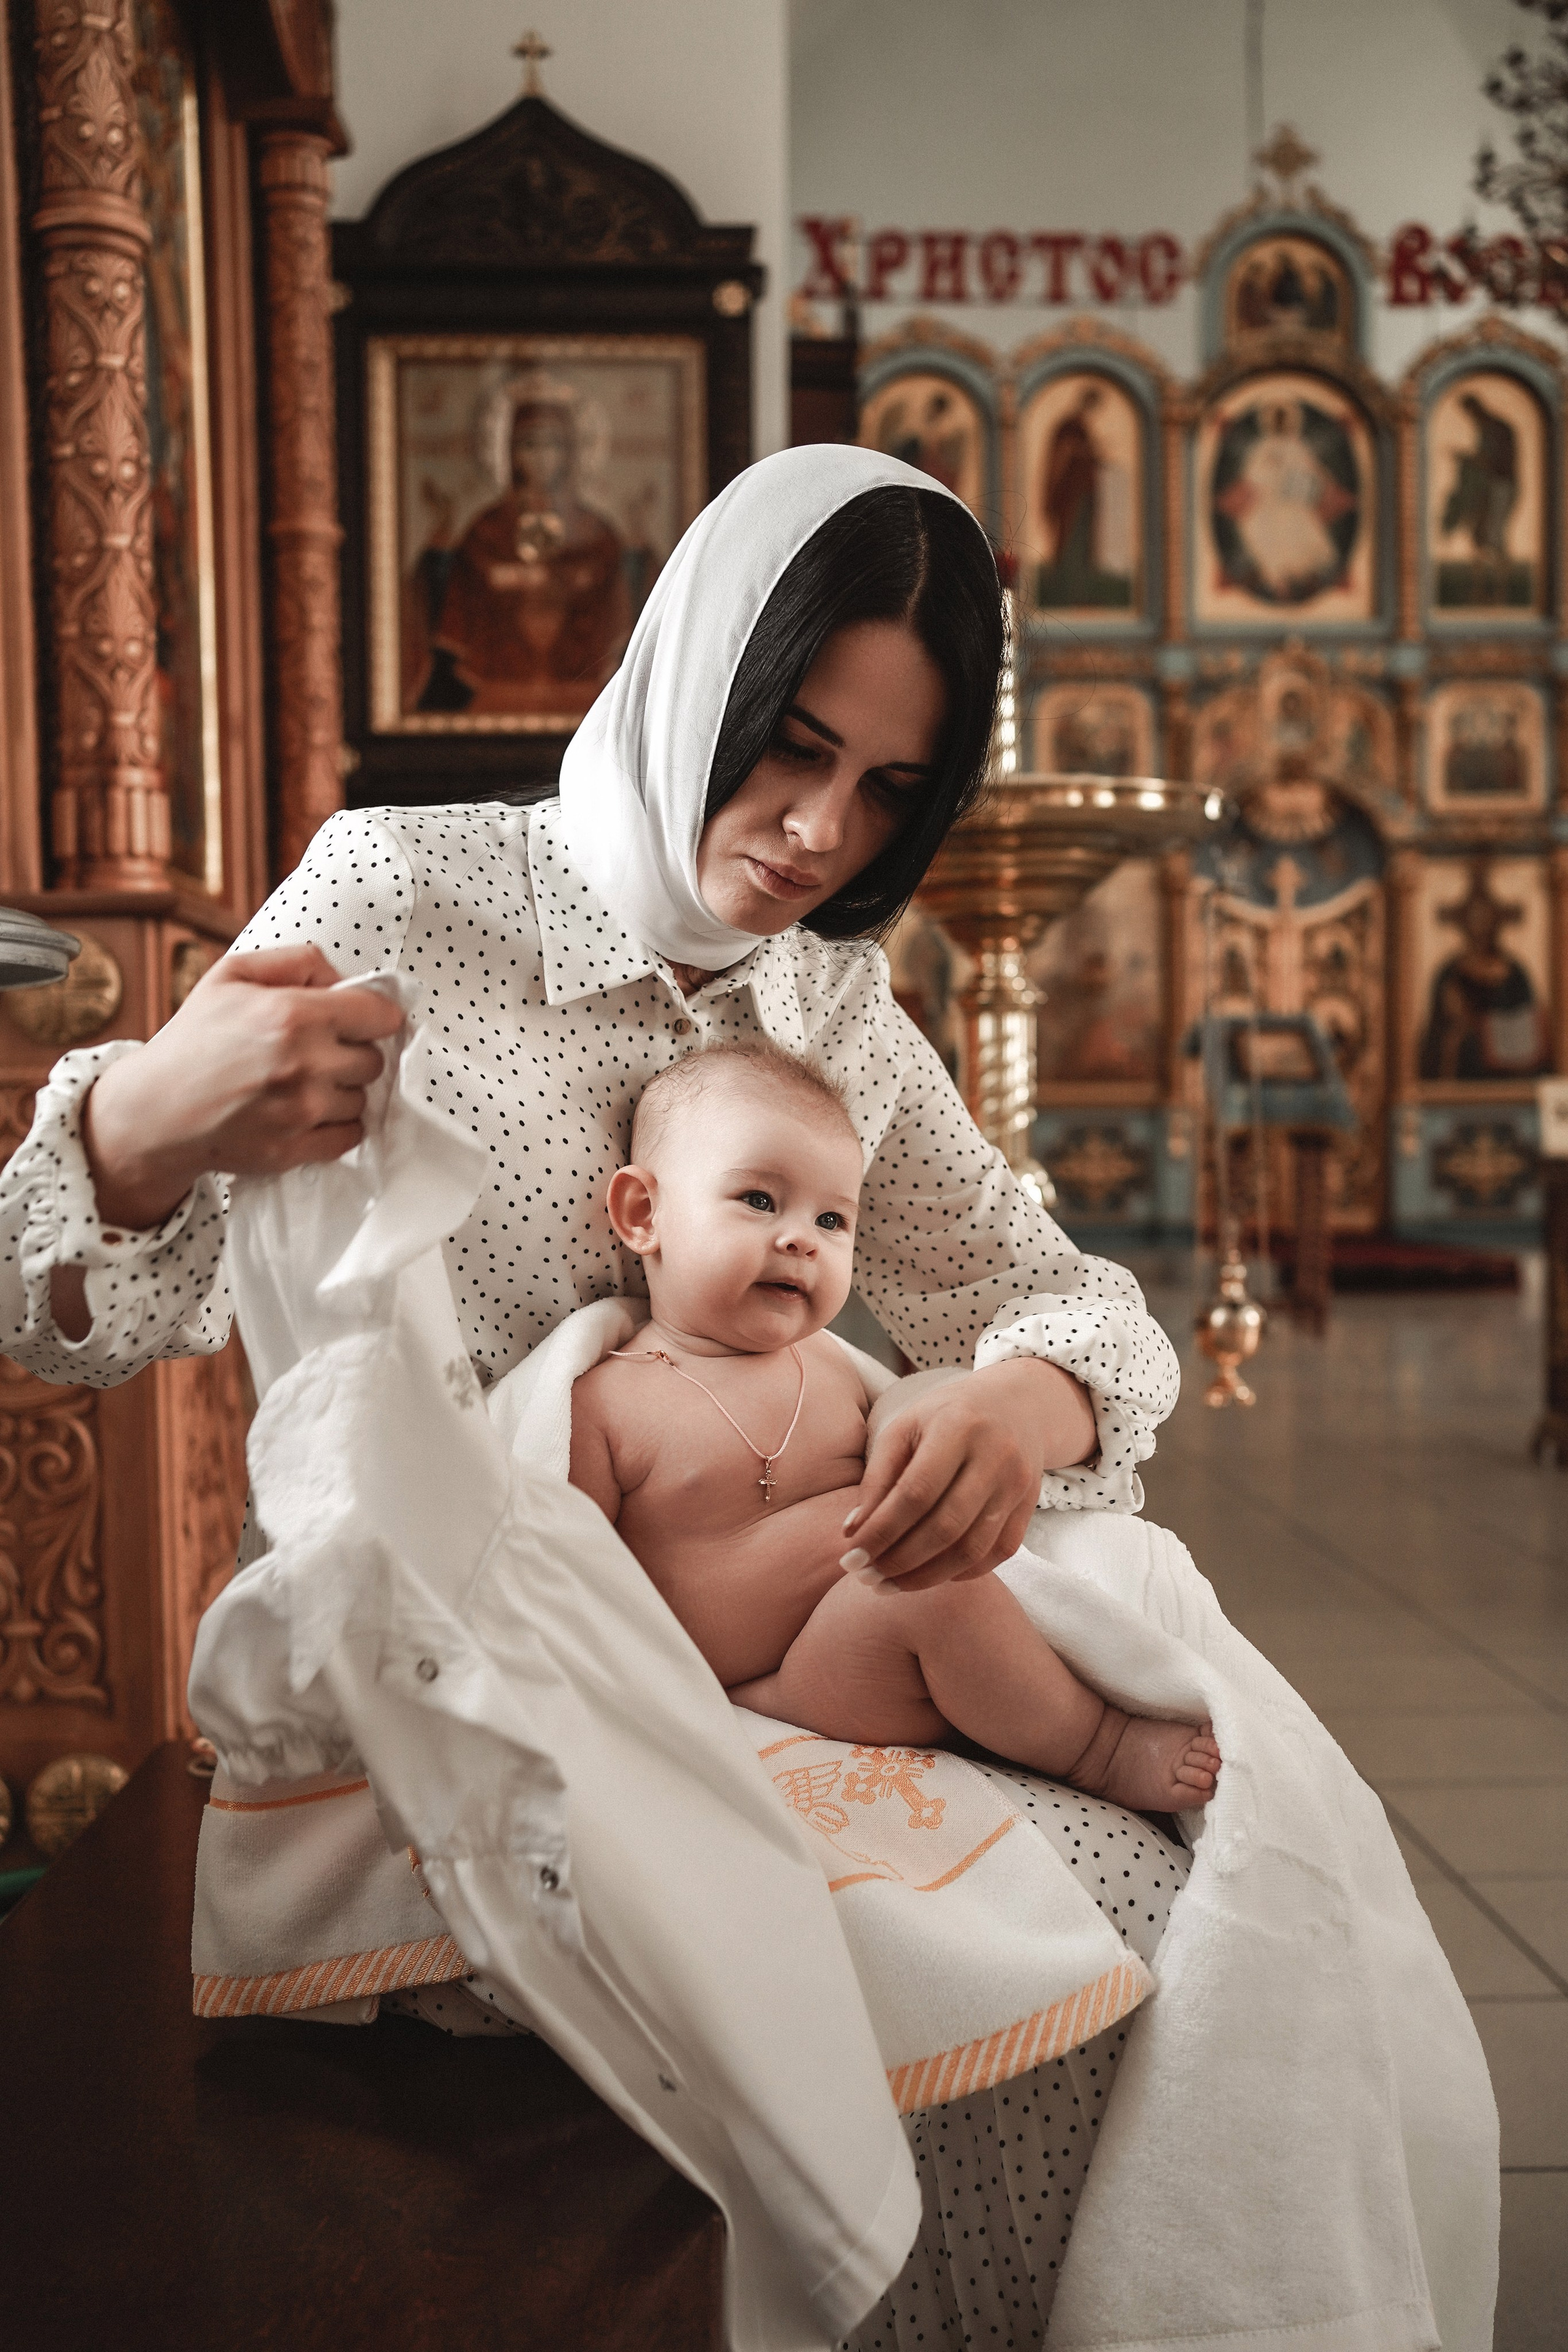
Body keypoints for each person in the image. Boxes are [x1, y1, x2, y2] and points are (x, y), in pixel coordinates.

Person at [0, 444, 1204, 2345]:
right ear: (691, 669)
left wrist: (1020, 1404)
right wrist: (144, 1121)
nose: (815, 833)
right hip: (463, 1718)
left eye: (888, 790)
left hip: (760, 1671)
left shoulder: (827, 1000)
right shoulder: (404, 892)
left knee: (1181, 1880)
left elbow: (1055, 1295)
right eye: (788, 746)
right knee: (917, 1955)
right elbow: (58, 1315)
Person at [572, 1039, 1221, 1813]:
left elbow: (912, 1420)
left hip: (870, 1631)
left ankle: (1031, 1708)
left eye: (832, 1219)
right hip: (781, 1687)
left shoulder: (829, 1365)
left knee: (948, 1583)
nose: (800, 1238)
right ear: (643, 1215)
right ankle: (1097, 1747)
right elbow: (562, 1581)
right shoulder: (604, 1402)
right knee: (929, 1598)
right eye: (758, 1200)